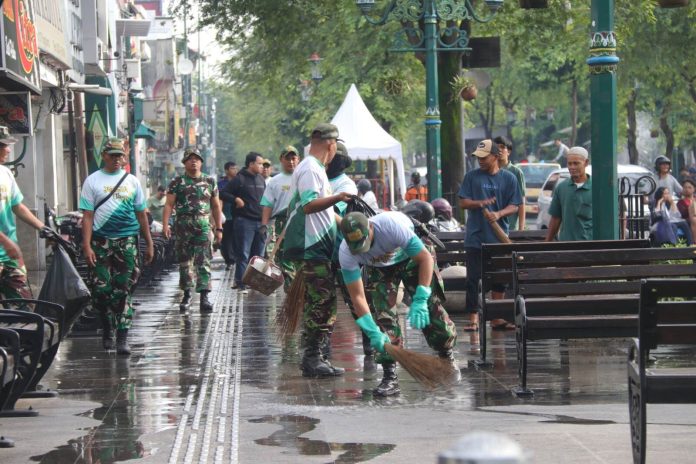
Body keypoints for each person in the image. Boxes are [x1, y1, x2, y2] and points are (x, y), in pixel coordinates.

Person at [339, 211, 458, 396]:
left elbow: (425, 258)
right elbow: (358, 297)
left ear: (371, 227)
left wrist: (421, 297)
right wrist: (371, 330)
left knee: (430, 308)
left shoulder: (391, 227)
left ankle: (446, 357)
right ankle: (390, 375)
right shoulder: (345, 253)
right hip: (380, 269)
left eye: (364, 242)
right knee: (383, 317)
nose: (362, 250)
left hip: (413, 259)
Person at [281, 123, 352, 378]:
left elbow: (326, 212)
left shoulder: (316, 168)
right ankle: (312, 358)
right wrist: (339, 197)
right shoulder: (311, 168)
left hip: (319, 246)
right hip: (312, 246)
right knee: (321, 303)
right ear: (331, 145)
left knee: (321, 302)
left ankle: (316, 356)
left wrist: (347, 226)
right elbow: (310, 205)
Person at [80, 138, 154, 355]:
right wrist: (87, 245)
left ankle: (122, 337)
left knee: (123, 288)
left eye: (119, 155)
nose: (116, 159)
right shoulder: (92, 181)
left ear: (124, 157)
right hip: (100, 241)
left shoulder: (132, 181)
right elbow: (87, 216)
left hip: (127, 240)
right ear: (104, 156)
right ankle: (107, 326)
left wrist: (149, 243)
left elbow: (141, 214)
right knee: (101, 290)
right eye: (112, 155)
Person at [459, 139, 522, 332]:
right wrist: (479, 203)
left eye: (484, 157)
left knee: (500, 279)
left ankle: (496, 317)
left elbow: (515, 205)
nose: (480, 160)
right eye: (478, 157)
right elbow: (463, 202)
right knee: (473, 279)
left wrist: (499, 214)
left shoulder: (509, 178)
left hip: (499, 238)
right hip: (475, 237)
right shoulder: (471, 177)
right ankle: (473, 318)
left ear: (495, 156)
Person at [162, 148, 223, 313]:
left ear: (201, 162)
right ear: (184, 162)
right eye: (190, 159)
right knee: (184, 262)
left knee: (204, 261)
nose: (193, 161)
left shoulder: (209, 181)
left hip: (203, 225)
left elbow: (216, 206)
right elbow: (169, 204)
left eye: (197, 159)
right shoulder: (177, 182)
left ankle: (204, 297)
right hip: (183, 225)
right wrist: (165, 225)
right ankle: (187, 294)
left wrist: (219, 228)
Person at [0, 129, 49, 301]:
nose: (8, 150)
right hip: (8, 246)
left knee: (22, 304)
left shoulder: (5, 173)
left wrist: (43, 228)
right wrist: (6, 242)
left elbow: (18, 206)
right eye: (4, 146)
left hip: (10, 254)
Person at [223, 152, 267, 291]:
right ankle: (241, 282)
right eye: (259, 163)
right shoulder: (239, 179)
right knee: (243, 254)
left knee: (259, 255)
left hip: (260, 222)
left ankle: (255, 282)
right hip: (244, 221)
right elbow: (223, 193)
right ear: (251, 164)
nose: (262, 166)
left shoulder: (261, 179)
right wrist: (235, 199)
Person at [260, 146, 300, 290]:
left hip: (301, 222)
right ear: (281, 160)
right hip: (281, 223)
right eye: (287, 158)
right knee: (283, 258)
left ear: (298, 159)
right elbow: (268, 204)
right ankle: (291, 291)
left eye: (293, 158)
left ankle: (299, 291)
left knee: (300, 257)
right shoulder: (274, 181)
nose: (291, 161)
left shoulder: (304, 177)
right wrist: (264, 225)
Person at [545, 146, 593, 242]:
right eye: (569, 164)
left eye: (576, 163)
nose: (572, 167)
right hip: (566, 245)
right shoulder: (561, 188)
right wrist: (547, 243)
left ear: (586, 163)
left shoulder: (596, 188)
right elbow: (555, 219)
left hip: (591, 246)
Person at [494, 136, 526, 230]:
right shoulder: (489, 172)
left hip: (510, 227)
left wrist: (521, 229)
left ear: (508, 151)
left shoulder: (516, 172)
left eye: (502, 147)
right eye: (496, 147)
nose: (499, 150)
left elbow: (521, 203)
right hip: (492, 226)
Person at [218, 161, 238, 269]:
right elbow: (218, 200)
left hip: (238, 215)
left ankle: (234, 259)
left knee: (236, 238)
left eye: (236, 168)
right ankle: (229, 260)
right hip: (225, 215)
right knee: (226, 240)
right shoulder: (221, 184)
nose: (235, 170)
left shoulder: (239, 182)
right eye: (232, 168)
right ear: (226, 170)